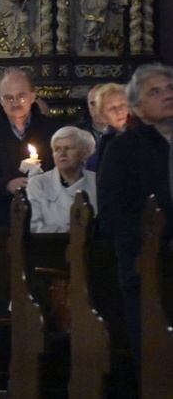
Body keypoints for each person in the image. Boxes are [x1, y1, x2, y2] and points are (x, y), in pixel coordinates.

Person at [98, 63, 173, 376]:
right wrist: (159, 239)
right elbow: (113, 214)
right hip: (147, 270)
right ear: (138, 107)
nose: (167, 95)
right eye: (155, 92)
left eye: (170, 88)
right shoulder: (123, 150)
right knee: (158, 368)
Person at [0, 70, 63, 226]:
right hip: (0, 220)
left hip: (47, 219)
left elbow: (67, 174)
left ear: (32, 96)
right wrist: (6, 185)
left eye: (21, 96)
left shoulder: (54, 131)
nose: (15, 103)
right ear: (0, 100)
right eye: (8, 98)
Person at [26, 126, 96, 232]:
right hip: (51, 245)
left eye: (68, 148)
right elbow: (33, 225)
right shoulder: (38, 183)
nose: (62, 154)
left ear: (85, 154)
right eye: (57, 149)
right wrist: (68, 233)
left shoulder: (97, 181)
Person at [85, 83, 129, 172]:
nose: (119, 111)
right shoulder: (105, 144)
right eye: (112, 108)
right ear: (103, 115)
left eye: (122, 105)